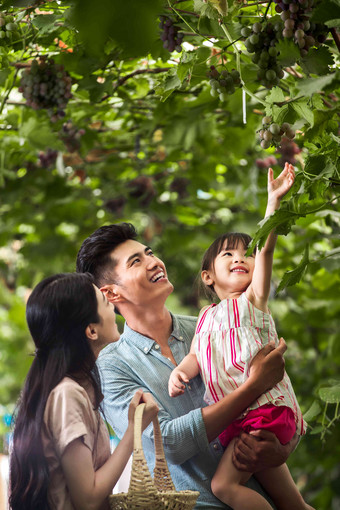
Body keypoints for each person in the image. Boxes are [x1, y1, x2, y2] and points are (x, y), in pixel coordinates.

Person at [75, 225, 297, 510]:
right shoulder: (111, 368)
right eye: (136, 261)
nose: (154, 262)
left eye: (150, 253)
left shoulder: (217, 328)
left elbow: (279, 403)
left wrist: (281, 449)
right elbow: (168, 443)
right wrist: (254, 385)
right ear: (112, 293)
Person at [168, 163, 313, 510]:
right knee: (291, 500)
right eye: (228, 254)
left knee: (224, 486)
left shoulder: (252, 301)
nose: (240, 258)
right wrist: (181, 372)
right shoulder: (204, 318)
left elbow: (266, 250)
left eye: (245, 253)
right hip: (241, 417)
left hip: (263, 410)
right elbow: (196, 357)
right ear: (207, 276)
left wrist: (273, 203)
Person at [9, 272, 158, 510]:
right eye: (107, 304)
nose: (114, 309)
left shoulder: (66, 390)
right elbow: (87, 499)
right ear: (91, 331)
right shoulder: (67, 395)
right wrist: (134, 430)